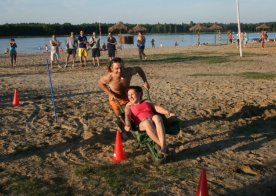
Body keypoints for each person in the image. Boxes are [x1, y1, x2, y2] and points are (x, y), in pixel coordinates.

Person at [124, 86, 176, 155]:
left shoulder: (146, 101)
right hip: (141, 123)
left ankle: (163, 147)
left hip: (152, 119)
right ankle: (164, 146)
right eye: (128, 95)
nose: (130, 97)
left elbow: (156, 108)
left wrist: (169, 113)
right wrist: (127, 124)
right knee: (147, 122)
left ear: (139, 94)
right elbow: (127, 116)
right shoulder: (129, 106)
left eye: (132, 94)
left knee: (157, 117)